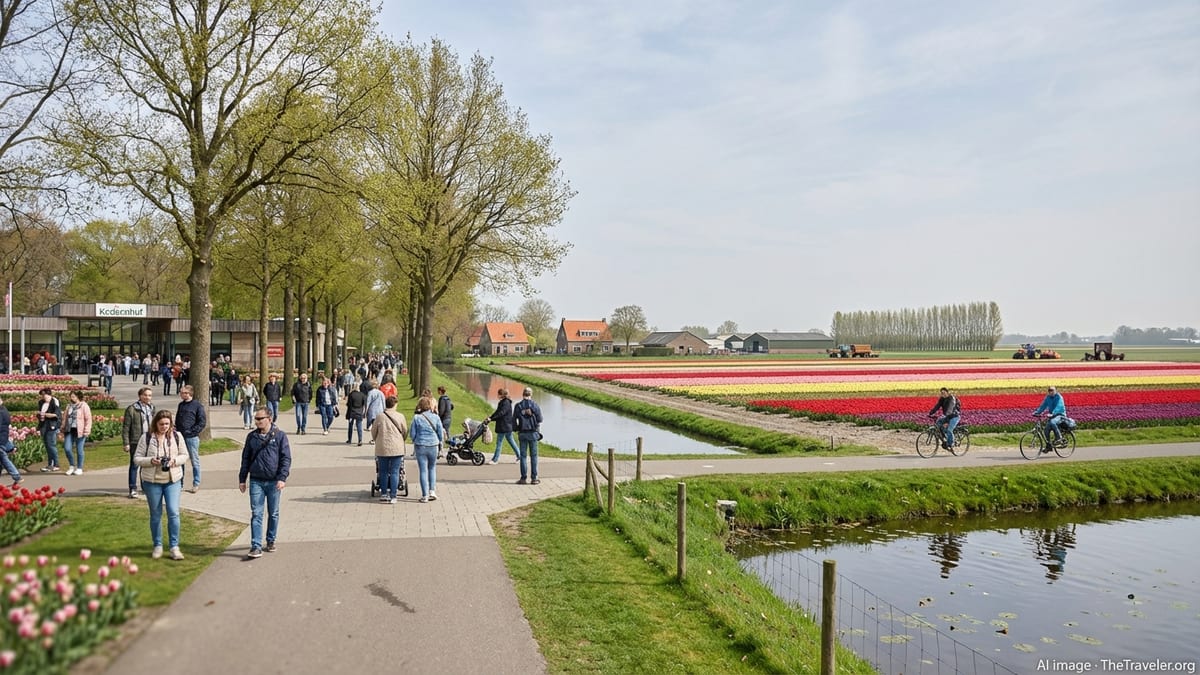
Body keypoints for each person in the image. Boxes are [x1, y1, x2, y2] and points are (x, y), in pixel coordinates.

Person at [134, 410, 188, 560]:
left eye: (167, 424)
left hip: (172, 480)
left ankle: (174, 546)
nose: (164, 427)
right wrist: (151, 461)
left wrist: (174, 461)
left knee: (173, 511)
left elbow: (185, 455)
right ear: (155, 423)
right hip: (152, 482)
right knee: (156, 514)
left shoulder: (177, 437)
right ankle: (157, 545)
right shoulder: (146, 438)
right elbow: (137, 459)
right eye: (161, 424)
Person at [238, 406, 292, 559]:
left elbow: (285, 458)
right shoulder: (252, 437)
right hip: (256, 481)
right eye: (256, 418)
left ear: (269, 419)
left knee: (273, 513)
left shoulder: (280, 436)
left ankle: (270, 540)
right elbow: (245, 458)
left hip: (274, 481)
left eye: (260, 418)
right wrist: (242, 479)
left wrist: (282, 478)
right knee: (256, 513)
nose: (257, 421)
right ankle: (256, 546)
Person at [371, 395, 408, 504]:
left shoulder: (379, 417)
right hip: (397, 448)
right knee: (395, 471)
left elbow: (373, 432)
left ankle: (383, 493)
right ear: (395, 405)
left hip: (382, 447)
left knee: (383, 471)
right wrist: (402, 439)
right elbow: (405, 431)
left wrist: (377, 439)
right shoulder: (400, 416)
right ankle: (393, 495)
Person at [122, 387, 155, 498]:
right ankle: (132, 488)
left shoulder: (152, 407)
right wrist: (126, 443)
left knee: (146, 464)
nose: (148, 397)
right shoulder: (132, 409)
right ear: (140, 396)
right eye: (145, 395)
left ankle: (145, 487)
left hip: (149, 440)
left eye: (150, 395)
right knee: (135, 465)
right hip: (136, 440)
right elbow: (126, 427)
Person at [410, 396, 444, 503]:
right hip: (433, 445)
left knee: (423, 470)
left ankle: (424, 495)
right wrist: (439, 441)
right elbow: (440, 433)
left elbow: (412, 433)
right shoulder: (436, 417)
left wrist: (416, 440)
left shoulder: (416, 418)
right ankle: (432, 491)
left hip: (421, 445)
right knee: (432, 468)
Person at [176, 384, 206, 493]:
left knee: (194, 460)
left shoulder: (197, 406)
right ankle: (180, 483)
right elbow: (178, 419)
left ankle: (196, 483)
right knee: (180, 460)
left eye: (183, 392)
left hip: (192, 437)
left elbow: (202, 422)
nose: (181, 394)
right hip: (180, 436)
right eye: (181, 392)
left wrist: (193, 431)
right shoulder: (181, 405)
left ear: (188, 394)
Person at [513, 387, 543, 485]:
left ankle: (523, 478)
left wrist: (516, 428)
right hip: (533, 433)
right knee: (534, 456)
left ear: (523, 394)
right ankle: (534, 478)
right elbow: (540, 419)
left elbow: (513, 420)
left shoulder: (518, 406)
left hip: (522, 433)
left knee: (523, 456)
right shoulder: (535, 405)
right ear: (531, 394)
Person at [63, 390, 93, 475]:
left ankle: (79, 468)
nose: (72, 398)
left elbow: (88, 419)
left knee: (79, 450)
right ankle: (72, 465)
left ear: (78, 397)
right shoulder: (69, 406)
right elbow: (65, 418)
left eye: (73, 396)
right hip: (69, 430)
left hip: (80, 430)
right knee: (67, 448)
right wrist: (62, 427)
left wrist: (87, 430)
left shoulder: (84, 406)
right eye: (71, 396)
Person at [488, 387, 518, 465]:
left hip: (504, 426)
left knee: (499, 443)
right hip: (506, 426)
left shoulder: (505, 403)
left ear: (502, 395)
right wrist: (490, 417)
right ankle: (520, 456)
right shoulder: (504, 402)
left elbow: (501, 413)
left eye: (498, 394)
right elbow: (497, 412)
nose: (497, 396)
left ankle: (495, 459)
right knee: (511, 441)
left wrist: (492, 419)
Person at [1033, 386, 1068, 453]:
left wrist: (1053, 413)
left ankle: (1059, 438)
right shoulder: (1048, 398)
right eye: (1049, 391)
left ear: (1055, 391)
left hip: (1060, 415)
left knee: (1052, 422)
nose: (1051, 392)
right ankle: (1048, 446)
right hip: (1052, 416)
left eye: (1052, 390)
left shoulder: (1059, 397)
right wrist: (1037, 412)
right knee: (1046, 429)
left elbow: (1059, 406)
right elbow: (1043, 406)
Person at [37, 388, 62, 472]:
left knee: (51, 445)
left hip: (52, 425)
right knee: (47, 446)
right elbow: (40, 413)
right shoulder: (41, 402)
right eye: (42, 395)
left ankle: (56, 464)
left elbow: (56, 415)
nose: (44, 397)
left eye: (45, 395)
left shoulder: (54, 402)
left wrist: (45, 414)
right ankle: (50, 464)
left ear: (49, 394)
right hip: (44, 425)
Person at [0, 395, 23, 487]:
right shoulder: (4, 410)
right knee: (1, 459)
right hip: (3, 438)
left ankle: (17, 476)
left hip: (1, 438)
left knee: (3, 458)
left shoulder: (1, 412)